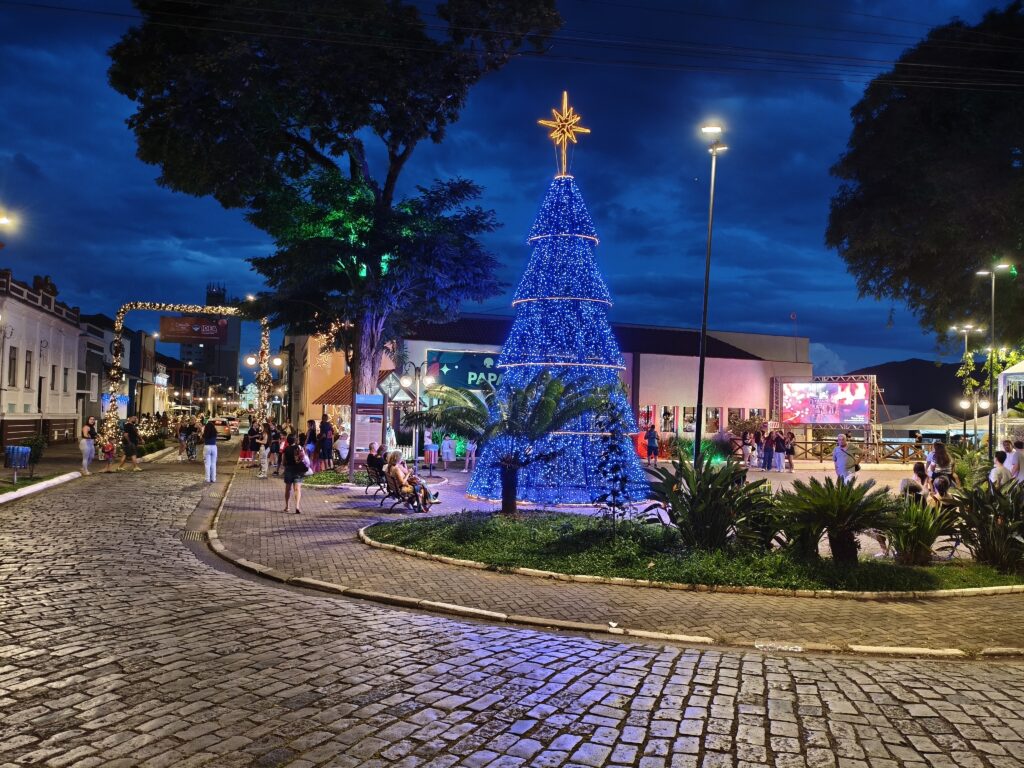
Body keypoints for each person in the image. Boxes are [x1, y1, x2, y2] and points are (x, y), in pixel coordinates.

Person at [281, 434, 306, 514]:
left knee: (288, 489)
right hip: (298, 470)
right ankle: (297, 507)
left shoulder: (286, 449)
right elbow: (304, 457)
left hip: (289, 469)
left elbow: (283, 462)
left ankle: (287, 506)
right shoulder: (299, 447)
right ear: (295, 440)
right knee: (297, 489)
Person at [202, 418, 219, 483]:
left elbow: (202, 438)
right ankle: (213, 478)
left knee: (207, 464)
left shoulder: (205, 433)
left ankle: (207, 479)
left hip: (207, 447)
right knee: (213, 464)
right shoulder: (215, 433)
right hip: (214, 447)